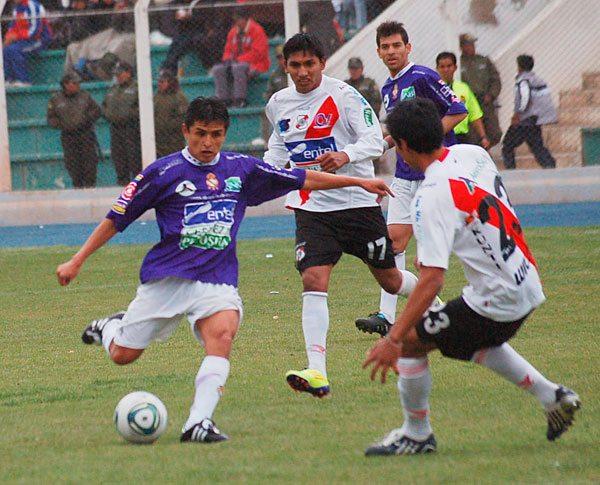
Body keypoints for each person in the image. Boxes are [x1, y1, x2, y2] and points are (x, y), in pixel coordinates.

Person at [55, 97, 395, 443]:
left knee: (222, 335)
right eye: (200, 134)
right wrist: (77, 259)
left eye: (216, 135)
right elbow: (117, 218)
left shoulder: (241, 169)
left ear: (225, 134)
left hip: (216, 280)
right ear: (185, 130)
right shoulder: (162, 172)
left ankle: (197, 423)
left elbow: (301, 178)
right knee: (123, 356)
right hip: (167, 279)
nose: (207, 143)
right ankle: (112, 327)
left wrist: (358, 183)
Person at [362, 98, 580, 456]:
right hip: (524, 278)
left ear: (401, 146)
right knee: (472, 340)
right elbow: (476, 210)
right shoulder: (471, 155)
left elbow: (432, 281)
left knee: (411, 345)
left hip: (497, 299)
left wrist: (393, 337)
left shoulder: (431, 194)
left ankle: (416, 435)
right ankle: (552, 397)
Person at [264, 33, 420, 398]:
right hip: (312, 208)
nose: (302, 72)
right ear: (285, 67)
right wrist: (262, 178)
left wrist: (345, 156)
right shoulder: (277, 103)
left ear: (322, 64)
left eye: (309, 64)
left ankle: (435, 301)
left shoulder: (344, 95)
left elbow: (374, 138)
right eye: (295, 65)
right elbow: (277, 148)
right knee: (314, 279)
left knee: (392, 282)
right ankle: (317, 371)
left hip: (357, 205)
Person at [355, 22, 466, 337]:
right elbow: (394, 132)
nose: (391, 51)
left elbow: (458, 111)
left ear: (408, 47)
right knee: (393, 243)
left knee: (436, 249)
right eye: (385, 47)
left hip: (433, 171)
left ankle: (446, 313)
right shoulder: (387, 88)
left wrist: (425, 139)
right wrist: (371, 150)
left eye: (396, 45)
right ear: (378, 51)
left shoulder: (423, 77)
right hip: (404, 176)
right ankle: (387, 316)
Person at [502, 55, 557, 170]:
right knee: (536, 146)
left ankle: (510, 170)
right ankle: (550, 165)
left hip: (525, 119)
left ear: (520, 67)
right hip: (535, 119)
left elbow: (525, 97)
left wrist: (518, 114)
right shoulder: (536, 79)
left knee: (507, 144)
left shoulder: (523, 80)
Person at [47, 72, 102, 188]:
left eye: (78, 83)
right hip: (68, 136)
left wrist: (86, 120)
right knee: (72, 164)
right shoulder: (56, 99)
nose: (77, 86)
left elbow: (97, 110)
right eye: (74, 83)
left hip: (85, 134)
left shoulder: (85, 96)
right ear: (66, 85)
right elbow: (51, 118)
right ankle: (77, 186)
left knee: (90, 162)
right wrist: (63, 125)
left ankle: (90, 187)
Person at [211, 6, 270, 108]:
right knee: (218, 69)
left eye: (238, 19)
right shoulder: (233, 32)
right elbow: (227, 50)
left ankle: (240, 99)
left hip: (257, 65)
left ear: (245, 19)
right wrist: (227, 59)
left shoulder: (257, 30)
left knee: (238, 68)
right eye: (235, 20)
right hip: (235, 63)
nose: (237, 22)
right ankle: (223, 100)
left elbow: (259, 53)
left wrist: (239, 60)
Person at [436, 51, 489, 149]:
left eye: (449, 66)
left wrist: (483, 137)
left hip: (461, 137)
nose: (446, 70)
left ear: (455, 67)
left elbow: (474, 114)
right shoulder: (434, 88)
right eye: (442, 67)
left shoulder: (463, 88)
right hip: (442, 138)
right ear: (437, 68)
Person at [102, 61, 142, 185]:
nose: (118, 77)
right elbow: (104, 106)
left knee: (134, 158)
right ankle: (122, 184)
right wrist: (108, 115)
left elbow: (142, 107)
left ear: (129, 73)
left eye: (120, 73)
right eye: (116, 74)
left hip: (132, 128)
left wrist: (129, 115)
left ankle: (137, 187)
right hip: (115, 128)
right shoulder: (112, 90)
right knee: (119, 158)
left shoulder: (137, 88)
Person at [460, 33, 502, 147]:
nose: (471, 47)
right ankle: (482, 153)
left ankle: (485, 148)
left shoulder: (483, 61)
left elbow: (495, 79)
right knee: (473, 135)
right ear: (461, 47)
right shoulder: (459, 63)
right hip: (469, 102)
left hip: (485, 100)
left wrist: (491, 94)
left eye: (472, 44)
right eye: (468, 45)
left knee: (495, 133)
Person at [2, 0, 52, 86]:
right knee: (6, 50)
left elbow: (35, 30)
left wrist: (16, 36)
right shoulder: (16, 9)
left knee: (14, 50)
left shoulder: (33, 6)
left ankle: (24, 80)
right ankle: (9, 80)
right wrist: (7, 38)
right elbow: (12, 27)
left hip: (39, 40)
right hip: (22, 40)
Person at [154, 69, 189, 158]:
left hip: (173, 141)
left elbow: (184, 118)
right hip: (158, 141)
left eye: (162, 82)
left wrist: (166, 125)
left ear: (170, 82)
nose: (159, 84)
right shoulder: (156, 97)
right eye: (158, 81)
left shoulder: (179, 97)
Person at [258, 44, 288, 145]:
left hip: (296, 104)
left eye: (284, 57)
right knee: (266, 113)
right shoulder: (275, 75)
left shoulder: (296, 71)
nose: (282, 60)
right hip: (280, 105)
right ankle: (268, 143)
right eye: (279, 58)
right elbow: (269, 93)